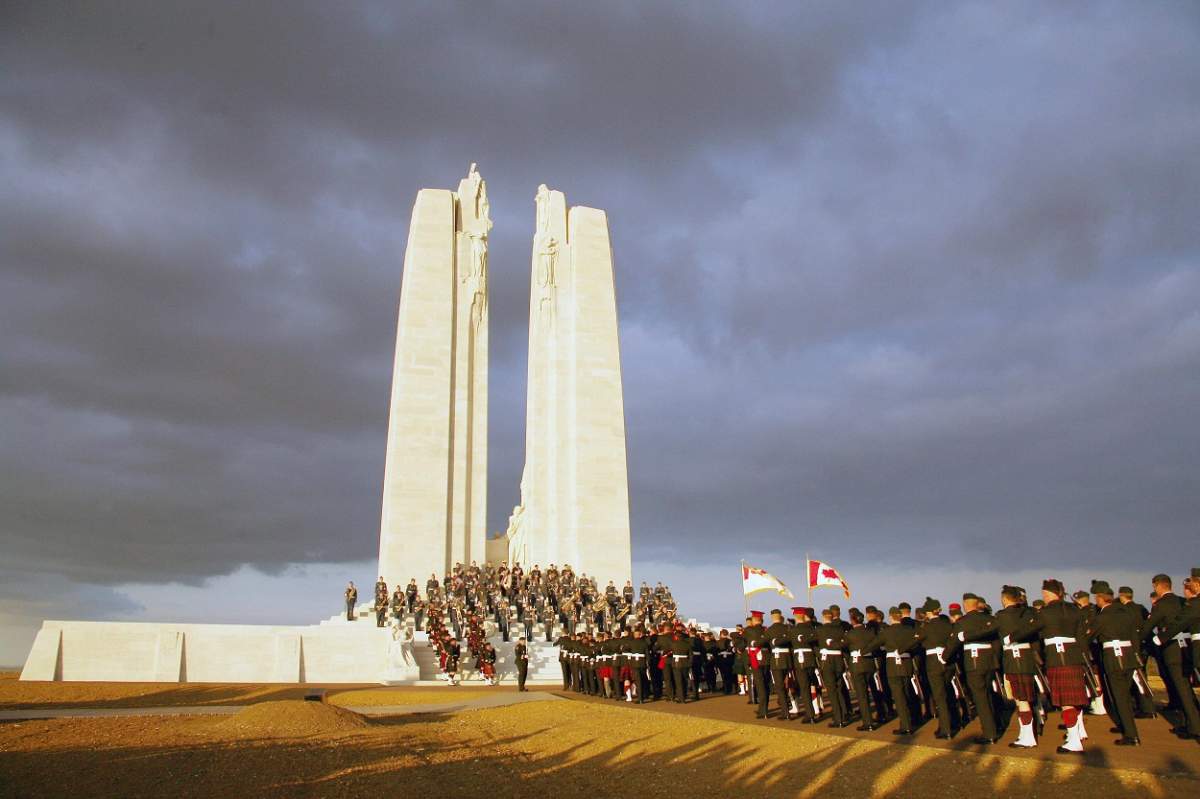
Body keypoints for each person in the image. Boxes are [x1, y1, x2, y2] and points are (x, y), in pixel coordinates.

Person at [1028, 578, 1091, 753]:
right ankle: (1076, 734)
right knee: (1075, 700)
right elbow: (1082, 638)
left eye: (1044, 594)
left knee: (1066, 702)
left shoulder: (1045, 613)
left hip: (1057, 660)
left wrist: (1012, 637)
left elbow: (1030, 630)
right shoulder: (1074, 610)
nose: (1044, 597)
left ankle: (1073, 741)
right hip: (1075, 659)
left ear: (1048, 594)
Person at [1144, 573, 1200, 738]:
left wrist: (1158, 639)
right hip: (1188, 647)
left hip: (1175, 649)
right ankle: (1191, 724)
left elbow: (1178, 623)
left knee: (1183, 690)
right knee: (1186, 690)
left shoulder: (1167, 605)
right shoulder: (1183, 602)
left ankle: (1194, 727)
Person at [942, 592, 1001, 745]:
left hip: (974, 661)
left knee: (980, 698)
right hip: (989, 660)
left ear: (965, 605)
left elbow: (954, 642)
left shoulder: (963, 622)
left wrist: (944, 657)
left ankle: (989, 733)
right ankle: (995, 726)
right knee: (988, 693)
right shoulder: (989, 619)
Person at [1088, 580, 1142, 745]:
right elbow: (1135, 637)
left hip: (1113, 658)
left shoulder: (1102, 617)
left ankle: (1131, 735)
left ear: (1100, 598)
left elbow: (1088, 637)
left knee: (1120, 697)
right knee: (1124, 695)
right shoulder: (1126, 614)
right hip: (1129, 657)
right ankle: (1125, 726)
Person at [993, 585, 1041, 748]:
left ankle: (1028, 737)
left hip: (1013, 660)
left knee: (1021, 700)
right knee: (1029, 697)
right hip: (1028, 658)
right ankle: (1028, 731)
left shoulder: (1001, 616)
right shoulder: (1029, 613)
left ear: (1005, 599)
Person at [918, 597, 958, 739]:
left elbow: (916, 641)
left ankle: (945, 728)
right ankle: (953, 722)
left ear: (929, 612)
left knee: (939, 696)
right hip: (948, 660)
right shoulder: (948, 625)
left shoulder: (927, 627)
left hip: (934, 661)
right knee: (948, 692)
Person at [844, 607, 885, 731]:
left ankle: (868, 722)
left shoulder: (850, 634)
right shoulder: (870, 632)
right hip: (869, 663)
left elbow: (842, 645)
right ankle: (881, 713)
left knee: (862, 695)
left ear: (853, 621)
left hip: (857, 665)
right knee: (875, 690)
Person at [764, 609, 794, 720]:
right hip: (788, 659)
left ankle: (785, 711)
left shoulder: (769, 630)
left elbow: (765, 644)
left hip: (776, 660)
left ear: (772, 617)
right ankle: (791, 705)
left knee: (780, 686)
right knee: (788, 684)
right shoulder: (788, 628)